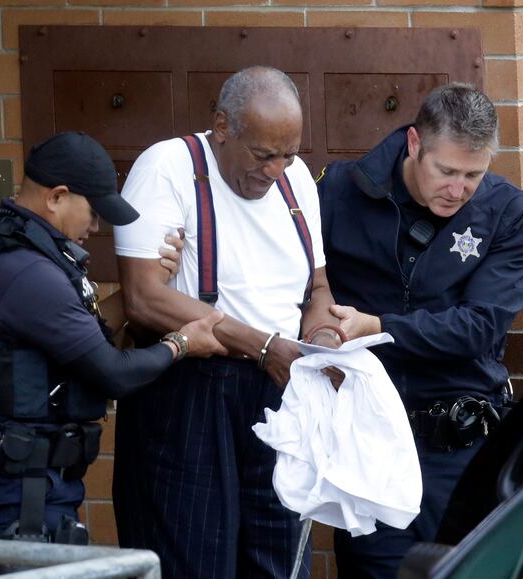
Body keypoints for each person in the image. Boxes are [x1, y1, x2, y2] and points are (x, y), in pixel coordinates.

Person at [0, 130, 226, 577]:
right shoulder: (26, 270)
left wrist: (147, 287)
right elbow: (112, 372)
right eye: (92, 213)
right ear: (57, 197)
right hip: (20, 495)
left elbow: (80, 335)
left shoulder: (14, 246)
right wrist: (183, 343)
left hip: (31, 485)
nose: (95, 228)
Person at [111, 66, 341, 579]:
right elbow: (144, 300)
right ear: (221, 126)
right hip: (189, 393)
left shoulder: (296, 180)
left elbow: (317, 289)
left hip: (278, 387)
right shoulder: (168, 167)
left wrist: (323, 339)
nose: (276, 170)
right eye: (263, 155)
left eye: (288, 154)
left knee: (281, 557)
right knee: (190, 558)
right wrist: (262, 345)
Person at [316, 83, 523, 578]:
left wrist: (378, 327)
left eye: (473, 175)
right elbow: (294, 283)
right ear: (415, 144)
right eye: (446, 171)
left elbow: (480, 327)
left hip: (463, 450)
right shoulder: (337, 190)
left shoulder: (510, 212)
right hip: (371, 449)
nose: (458, 190)